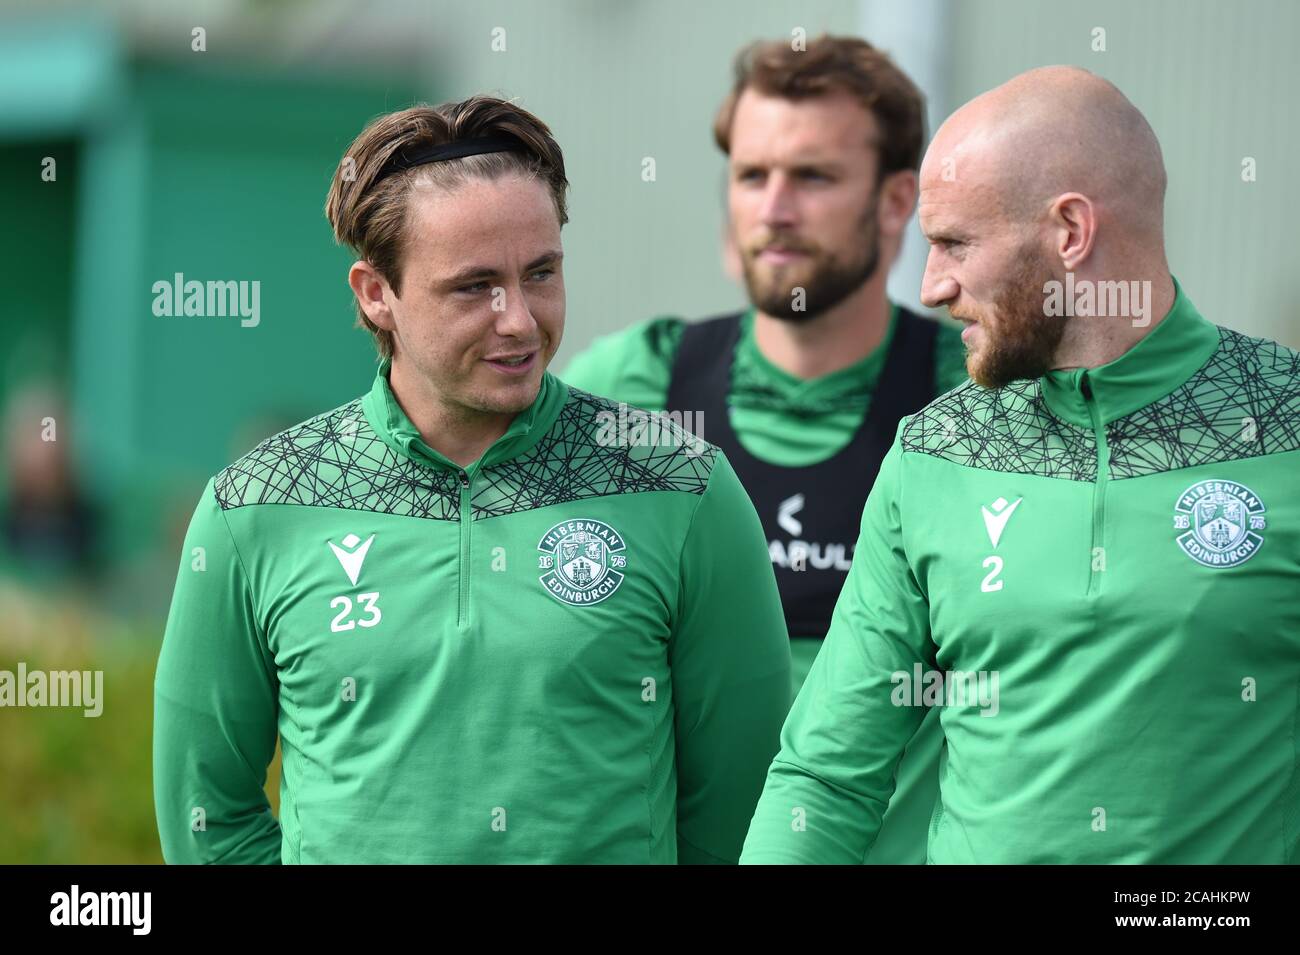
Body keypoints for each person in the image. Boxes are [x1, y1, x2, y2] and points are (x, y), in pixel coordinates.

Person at [153, 95, 790, 864]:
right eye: (473, 286)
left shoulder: (682, 488)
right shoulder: (253, 509)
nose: (519, 318)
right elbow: (207, 821)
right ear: (374, 293)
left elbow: (743, 815)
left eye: (542, 273)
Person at [741, 66, 1300, 864]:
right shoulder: (933, 452)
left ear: (1070, 231)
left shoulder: (1285, 424)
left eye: (954, 243)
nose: (932, 286)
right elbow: (828, 774)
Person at [563, 35, 967, 864]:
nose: (774, 207)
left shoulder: (973, 398)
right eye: (752, 176)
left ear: (897, 202)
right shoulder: (630, 384)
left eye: (813, 176)